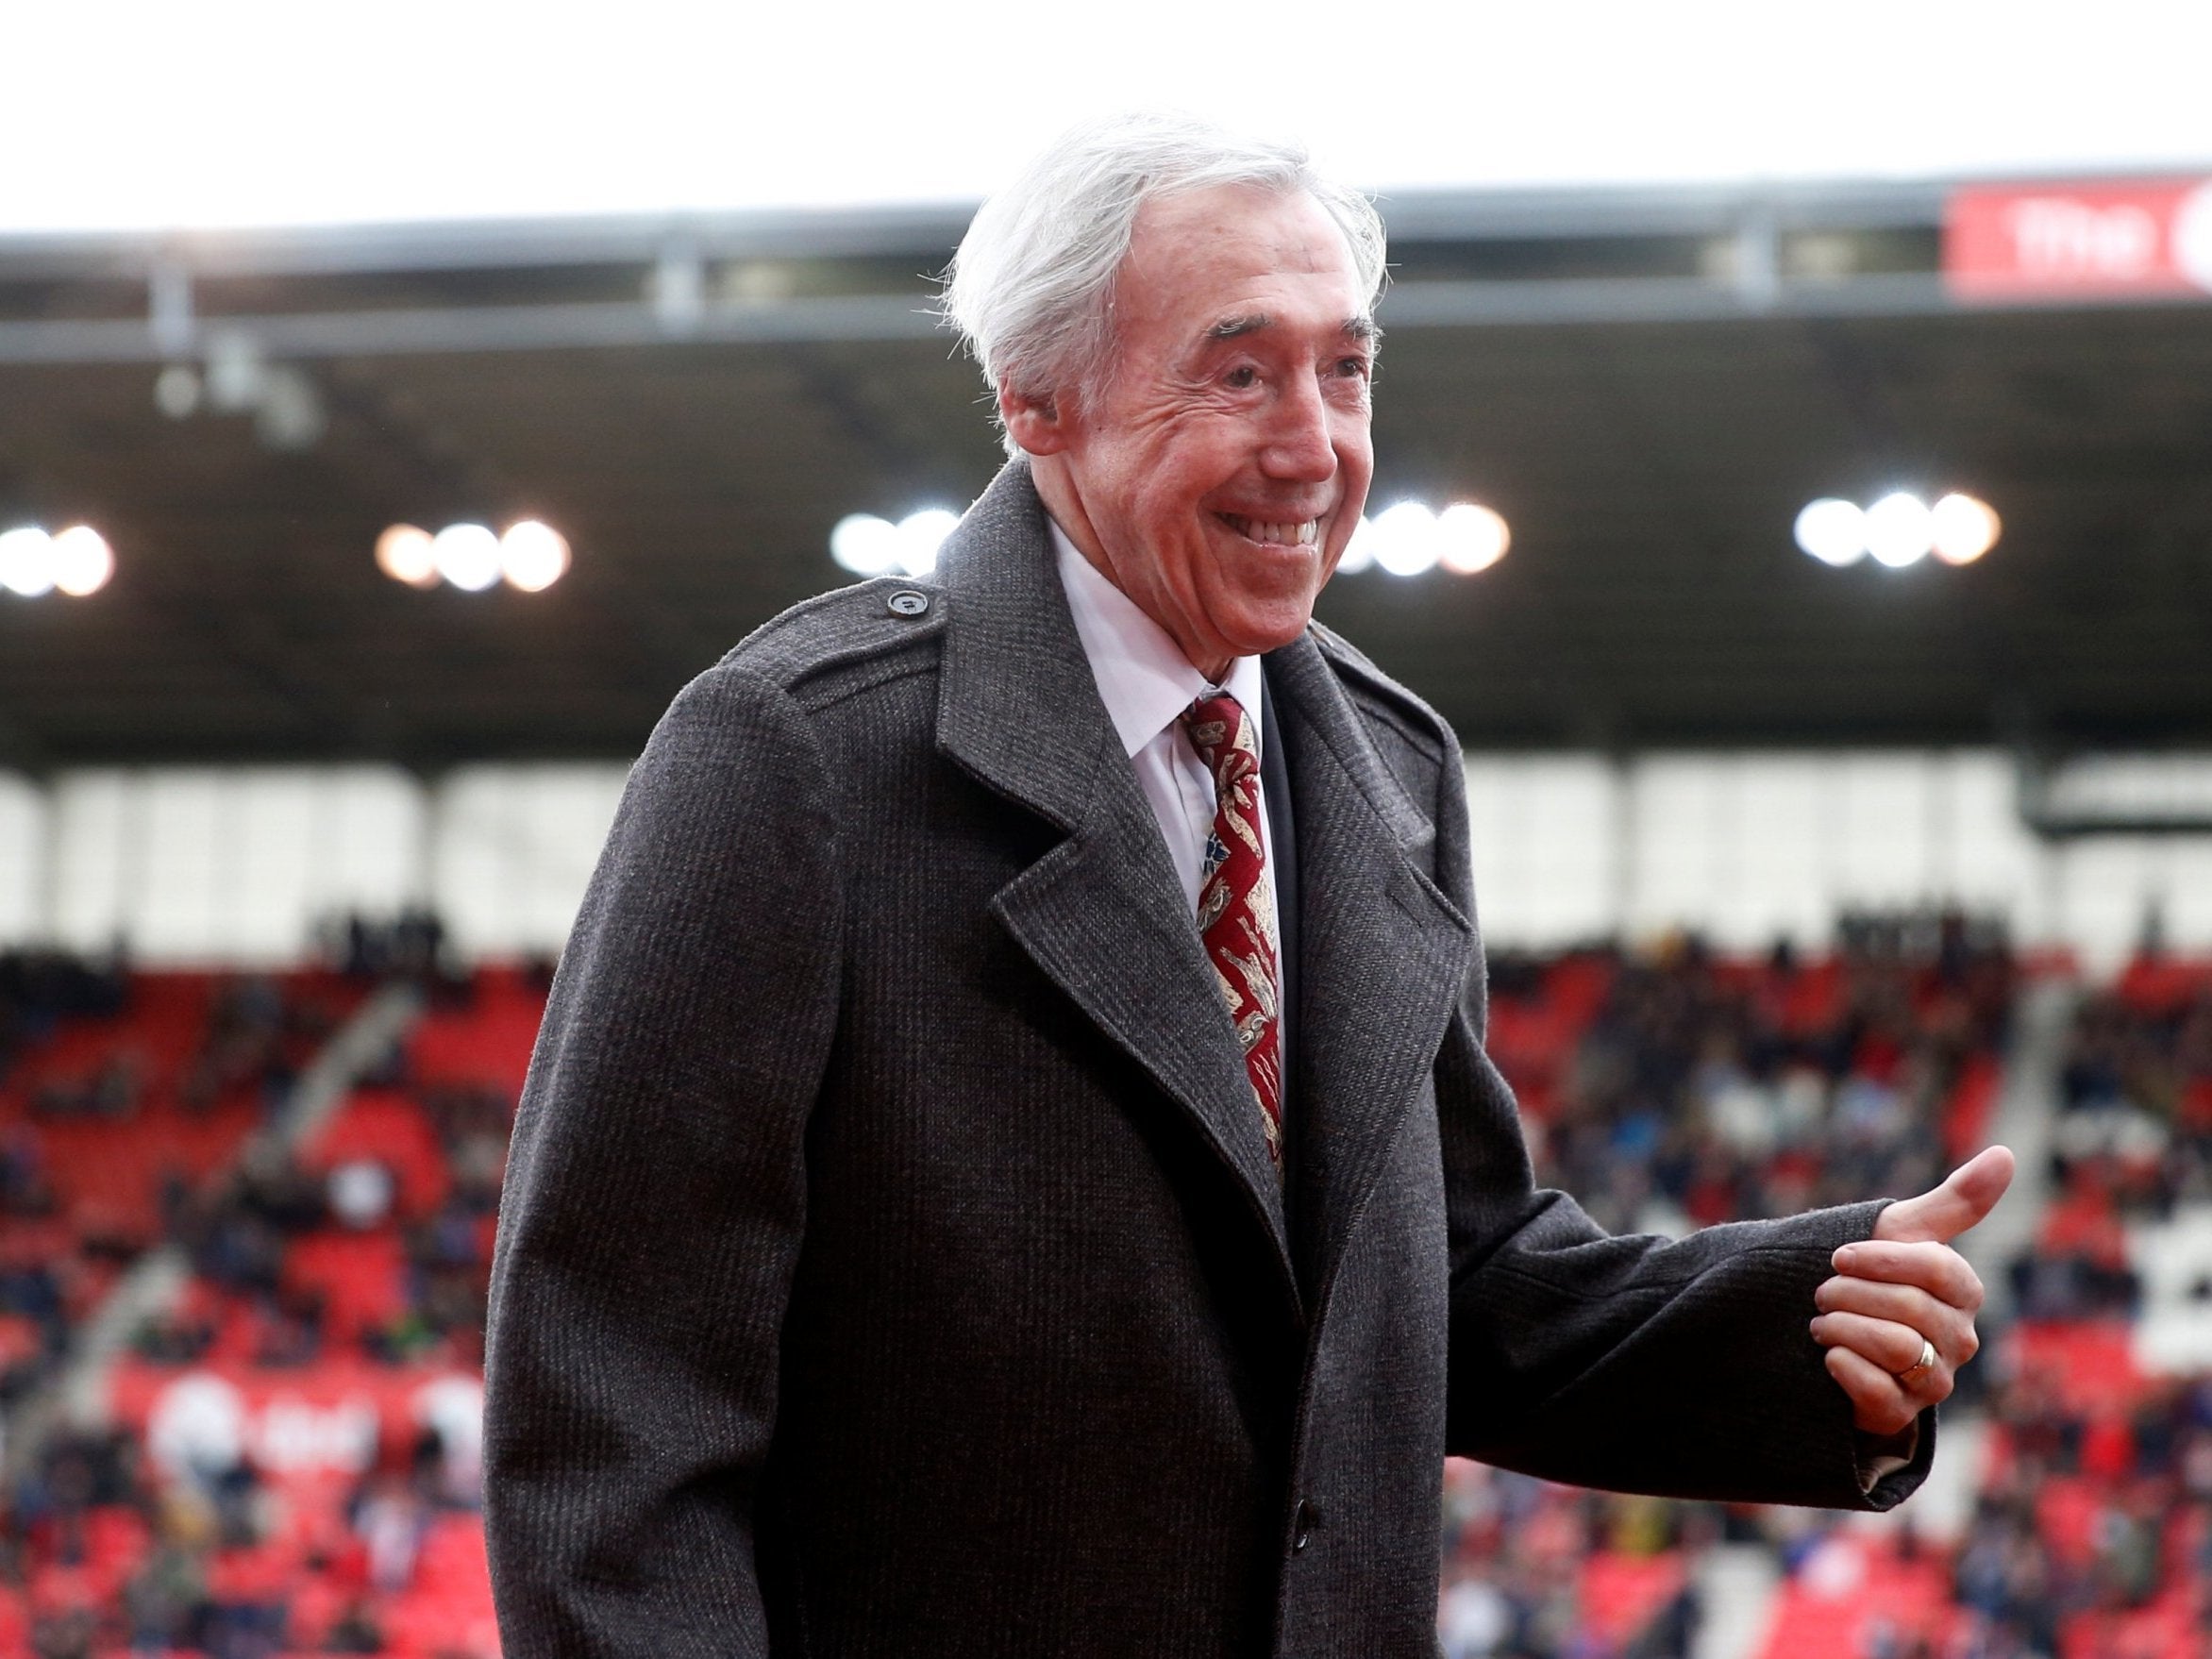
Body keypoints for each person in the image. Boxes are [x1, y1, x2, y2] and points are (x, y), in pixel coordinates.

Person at [482, 112, 2012, 1657]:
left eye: (1345, 369)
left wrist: (1800, 1316)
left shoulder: (1392, 770)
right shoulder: (798, 753)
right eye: (1239, 371)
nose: (1315, 446)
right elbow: (610, 1399)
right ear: (1037, 398)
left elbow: (1454, 1280)